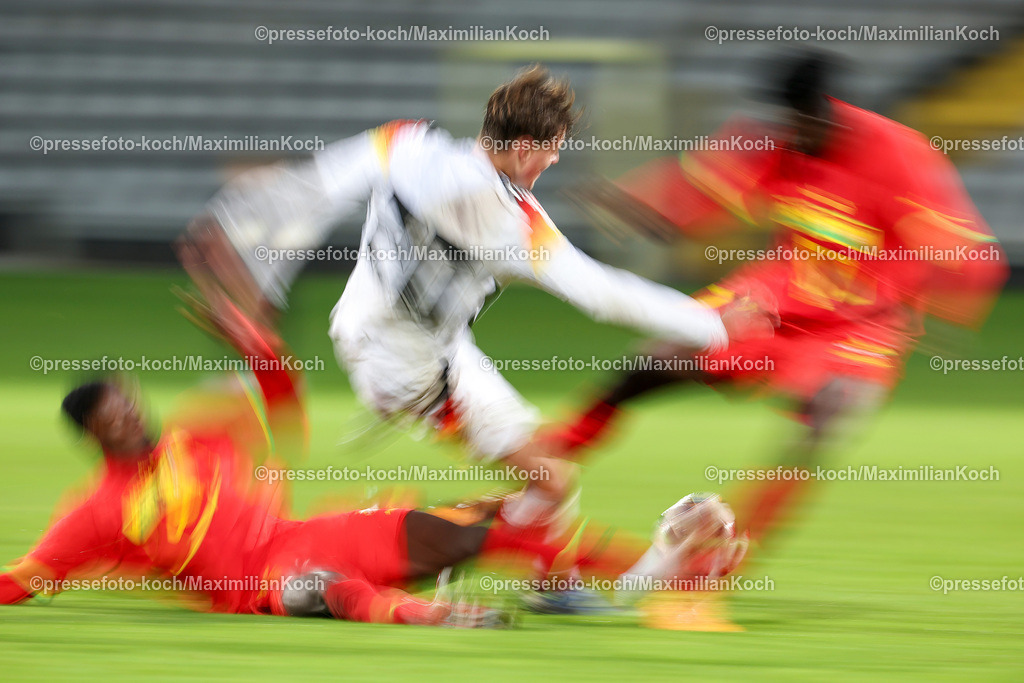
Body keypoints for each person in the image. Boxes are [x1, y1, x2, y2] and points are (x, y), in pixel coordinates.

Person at [183, 64, 776, 594]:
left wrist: (241, 243)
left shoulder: (406, 142)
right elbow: (602, 293)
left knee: (550, 482)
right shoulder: (509, 219)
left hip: (406, 341)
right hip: (409, 371)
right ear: (522, 148)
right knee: (548, 480)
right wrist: (713, 324)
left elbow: (312, 189)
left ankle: (543, 574)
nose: (554, 161)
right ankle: (593, 574)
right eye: (551, 149)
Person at [549, 50, 1007, 544]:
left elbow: (964, 250)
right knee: (653, 363)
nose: (796, 133)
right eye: (788, 119)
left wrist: (952, 307)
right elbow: (697, 195)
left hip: (861, 321)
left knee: (826, 412)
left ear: (827, 109)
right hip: (775, 296)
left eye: (803, 120)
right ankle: (541, 472)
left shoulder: (898, 154)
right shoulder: (775, 141)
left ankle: (727, 557)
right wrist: (631, 204)